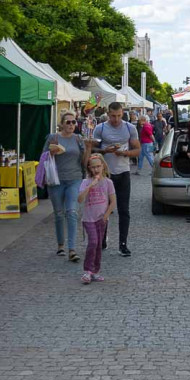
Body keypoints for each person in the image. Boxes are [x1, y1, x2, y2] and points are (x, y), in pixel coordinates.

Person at [87, 102, 139, 257]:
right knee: (102, 209)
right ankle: (102, 238)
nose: (116, 119)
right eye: (113, 116)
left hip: (123, 172)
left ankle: (123, 244)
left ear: (122, 113)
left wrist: (126, 154)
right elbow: (92, 149)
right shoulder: (100, 128)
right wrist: (105, 150)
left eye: (119, 116)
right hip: (105, 175)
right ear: (108, 114)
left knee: (124, 210)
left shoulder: (130, 128)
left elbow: (137, 150)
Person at [45, 112, 87, 263]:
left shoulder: (78, 139)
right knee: (58, 213)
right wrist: (51, 152)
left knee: (71, 211)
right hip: (56, 180)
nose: (71, 125)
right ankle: (60, 244)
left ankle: (72, 249)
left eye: (73, 122)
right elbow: (43, 157)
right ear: (61, 123)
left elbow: (83, 160)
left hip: (74, 179)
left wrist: (87, 149)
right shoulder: (53, 138)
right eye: (68, 122)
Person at [77, 155, 116, 284]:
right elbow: (80, 199)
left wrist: (106, 215)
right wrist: (90, 186)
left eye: (98, 166)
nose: (96, 169)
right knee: (93, 242)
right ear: (89, 168)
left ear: (103, 166)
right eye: (93, 167)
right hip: (89, 218)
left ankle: (95, 271)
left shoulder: (108, 182)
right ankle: (87, 270)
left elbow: (113, 201)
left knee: (99, 245)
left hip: (102, 218)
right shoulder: (85, 182)